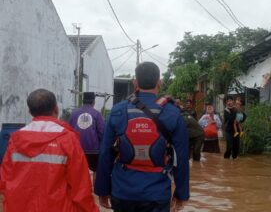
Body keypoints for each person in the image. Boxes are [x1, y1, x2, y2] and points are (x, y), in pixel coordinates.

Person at [95, 62, 189, 212]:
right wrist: (182, 193)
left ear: (135, 83)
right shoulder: (172, 112)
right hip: (157, 193)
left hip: (122, 191)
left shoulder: (118, 110)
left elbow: (105, 152)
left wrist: (102, 190)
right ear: (160, 82)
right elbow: (182, 156)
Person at [0, 89, 98, 212]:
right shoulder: (67, 139)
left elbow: (4, 181)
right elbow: (81, 188)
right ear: (56, 109)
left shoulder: (15, 139)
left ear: (30, 112)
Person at [69, 92, 105, 175]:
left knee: (77, 173)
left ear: (83, 101)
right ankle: (95, 188)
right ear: (93, 102)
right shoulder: (97, 114)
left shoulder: (74, 114)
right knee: (96, 171)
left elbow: (69, 131)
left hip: (77, 150)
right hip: (93, 150)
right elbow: (102, 133)